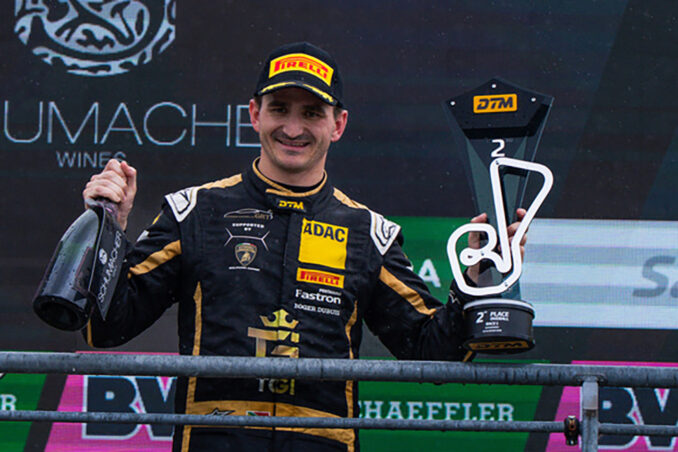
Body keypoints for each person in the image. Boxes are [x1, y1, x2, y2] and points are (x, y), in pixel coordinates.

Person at [82, 42, 527, 452]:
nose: (293, 128)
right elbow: (105, 327)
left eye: (312, 113)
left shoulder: (367, 232)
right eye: (279, 109)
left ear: (338, 124)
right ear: (255, 114)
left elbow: (433, 350)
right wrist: (109, 231)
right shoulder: (195, 213)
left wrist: (480, 275)